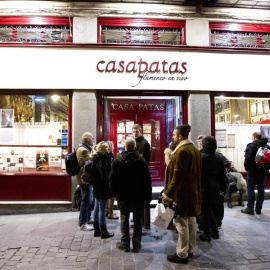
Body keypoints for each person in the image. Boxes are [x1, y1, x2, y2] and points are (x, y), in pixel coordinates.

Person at [160, 124, 201, 265]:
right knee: (190, 222)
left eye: (174, 135)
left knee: (182, 224)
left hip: (183, 194)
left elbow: (177, 176)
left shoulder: (182, 151)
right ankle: (189, 249)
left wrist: (168, 194)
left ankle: (182, 254)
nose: (172, 137)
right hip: (192, 193)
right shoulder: (194, 149)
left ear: (180, 136)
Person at [110, 137, 152, 253]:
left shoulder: (117, 161)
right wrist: (147, 196)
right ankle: (137, 243)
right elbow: (147, 180)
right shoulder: (141, 161)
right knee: (138, 220)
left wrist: (115, 193)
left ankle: (125, 243)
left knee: (124, 218)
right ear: (135, 147)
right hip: (138, 195)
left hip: (123, 196)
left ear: (125, 147)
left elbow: (112, 180)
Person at [199, 136, 226, 243]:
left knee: (204, 212)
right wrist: (223, 188)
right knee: (209, 210)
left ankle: (207, 235)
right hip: (215, 188)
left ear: (203, 144)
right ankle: (214, 232)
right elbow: (222, 175)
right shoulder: (218, 158)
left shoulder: (200, 157)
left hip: (203, 188)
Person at [241, 132, 270, 215]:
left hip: (253, 172)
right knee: (261, 190)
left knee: (250, 189)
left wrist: (247, 169)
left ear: (254, 137)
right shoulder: (267, 146)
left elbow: (248, 159)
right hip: (263, 172)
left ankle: (250, 208)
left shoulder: (251, 146)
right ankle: (259, 209)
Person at [92, 141, 114, 239]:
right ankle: (103, 231)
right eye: (106, 147)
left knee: (97, 207)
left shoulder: (96, 158)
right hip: (102, 187)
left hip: (97, 186)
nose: (108, 148)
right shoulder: (104, 159)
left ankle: (96, 230)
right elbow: (104, 175)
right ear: (101, 149)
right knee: (102, 208)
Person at [76, 132, 94, 231]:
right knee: (85, 200)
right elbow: (90, 162)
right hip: (84, 178)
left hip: (86, 178)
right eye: (91, 138)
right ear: (87, 139)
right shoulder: (83, 150)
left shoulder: (85, 148)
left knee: (88, 199)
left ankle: (87, 218)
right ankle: (82, 223)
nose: (93, 139)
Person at [106, 141, 119, 220]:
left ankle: (109, 211)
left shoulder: (109, 155)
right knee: (111, 196)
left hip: (109, 178)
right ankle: (110, 213)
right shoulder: (109, 156)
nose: (114, 147)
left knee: (110, 196)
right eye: (113, 146)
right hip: (110, 178)